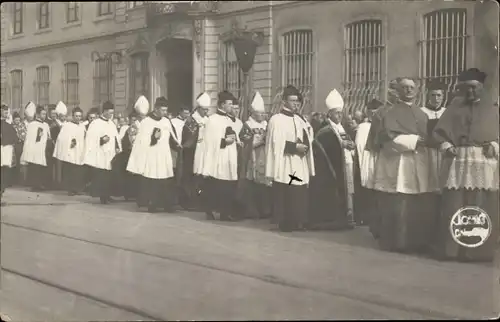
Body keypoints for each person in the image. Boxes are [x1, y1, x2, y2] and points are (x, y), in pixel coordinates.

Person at [432, 68, 499, 262]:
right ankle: (453, 251)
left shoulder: (492, 109)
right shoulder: (454, 108)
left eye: (474, 88)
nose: (470, 92)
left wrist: (494, 146)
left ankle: (478, 252)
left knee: (481, 204)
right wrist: (446, 145)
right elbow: (439, 133)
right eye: (467, 88)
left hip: (484, 162)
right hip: (458, 161)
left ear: (481, 88)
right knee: (455, 204)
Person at [371, 77, 438, 253]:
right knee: (399, 201)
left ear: (417, 91)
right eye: (404, 87)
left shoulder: (422, 114)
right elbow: (386, 138)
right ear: (398, 91)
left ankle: (416, 241)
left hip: (419, 161)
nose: (408, 90)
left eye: (411, 87)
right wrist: (414, 140)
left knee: (418, 201)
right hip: (398, 162)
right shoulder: (389, 112)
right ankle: (397, 242)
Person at [265, 85, 315, 232]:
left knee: (298, 191)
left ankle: (298, 220)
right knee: (286, 191)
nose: (295, 104)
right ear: (284, 102)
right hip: (285, 160)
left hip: (298, 161)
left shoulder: (300, 120)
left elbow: (307, 137)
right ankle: (285, 222)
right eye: (292, 101)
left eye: (297, 102)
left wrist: (305, 146)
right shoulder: (276, 119)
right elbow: (276, 142)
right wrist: (294, 147)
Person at [309, 89, 354, 230]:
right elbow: (324, 145)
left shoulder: (342, 127)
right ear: (329, 114)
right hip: (333, 165)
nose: (339, 116)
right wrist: (342, 145)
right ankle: (335, 219)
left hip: (346, 163)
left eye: (341, 113)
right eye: (336, 113)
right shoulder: (326, 129)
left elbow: (347, 141)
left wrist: (351, 145)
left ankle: (347, 216)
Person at [127, 96, 178, 213]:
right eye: (163, 110)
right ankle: (152, 203)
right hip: (152, 154)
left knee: (165, 178)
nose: (165, 113)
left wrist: (177, 145)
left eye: (166, 110)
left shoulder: (166, 121)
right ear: (156, 109)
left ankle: (167, 204)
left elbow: (172, 136)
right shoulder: (146, 122)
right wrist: (153, 138)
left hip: (164, 154)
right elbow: (141, 141)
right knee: (153, 178)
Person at [200, 90, 240, 221]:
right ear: (222, 105)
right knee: (215, 185)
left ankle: (225, 212)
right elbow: (210, 141)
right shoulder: (212, 120)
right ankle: (209, 210)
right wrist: (223, 141)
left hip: (230, 155)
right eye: (229, 104)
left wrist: (237, 141)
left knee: (228, 186)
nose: (231, 106)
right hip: (217, 156)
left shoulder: (231, 120)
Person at [238, 92, 271, 219]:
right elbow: (245, 142)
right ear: (253, 113)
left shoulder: (266, 124)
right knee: (252, 185)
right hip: (253, 158)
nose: (262, 115)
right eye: (260, 113)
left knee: (265, 186)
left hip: (265, 156)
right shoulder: (247, 125)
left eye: (263, 113)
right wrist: (259, 141)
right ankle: (253, 210)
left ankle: (265, 209)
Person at [353, 99, 384, 226]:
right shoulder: (363, 127)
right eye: (372, 113)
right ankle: (366, 217)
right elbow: (360, 147)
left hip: (381, 160)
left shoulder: (383, 125)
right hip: (368, 160)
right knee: (368, 188)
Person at [83, 101, 121, 204]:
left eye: (112, 113)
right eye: (109, 113)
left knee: (109, 175)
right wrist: (101, 140)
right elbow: (90, 139)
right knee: (101, 175)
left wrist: (117, 147)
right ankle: (102, 197)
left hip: (110, 153)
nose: (111, 115)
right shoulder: (95, 123)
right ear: (104, 111)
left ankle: (108, 195)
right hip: (100, 153)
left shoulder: (111, 123)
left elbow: (116, 137)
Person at [179, 92, 210, 210]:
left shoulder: (208, 119)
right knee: (191, 176)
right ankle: (190, 201)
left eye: (207, 110)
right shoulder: (191, 120)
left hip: (205, 151)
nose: (206, 112)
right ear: (198, 108)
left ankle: (201, 201)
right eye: (204, 110)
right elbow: (188, 138)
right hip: (193, 152)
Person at [421, 80, 448, 194]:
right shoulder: (422, 112)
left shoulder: (446, 112)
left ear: (443, 97)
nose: (436, 99)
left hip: (443, 152)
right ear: (428, 96)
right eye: (433, 95)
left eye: (439, 95)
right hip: (427, 151)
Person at [53, 106, 86, 196]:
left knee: (78, 171)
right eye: (76, 116)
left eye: (80, 116)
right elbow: (61, 138)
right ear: (72, 116)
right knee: (71, 170)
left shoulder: (82, 126)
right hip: (70, 151)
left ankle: (77, 188)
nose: (78, 118)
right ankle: (70, 189)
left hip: (79, 151)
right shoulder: (67, 126)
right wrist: (70, 142)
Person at [20, 105, 51, 192]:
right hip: (35, 148)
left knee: (41, 167)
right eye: (42, 114)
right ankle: (35, 185)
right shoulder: (32, 125)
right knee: (34, 167)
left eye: (45, 114)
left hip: (43, 148)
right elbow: (29, 138)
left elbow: (48, 136)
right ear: (37, 114)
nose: (44, 116)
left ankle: (41, 183)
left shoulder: (46, 125)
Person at [1, 104, 18, 205]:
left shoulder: (8, 125)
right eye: (4, 111)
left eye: (7, 112)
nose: (6, 113)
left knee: (4, 173)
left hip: (6, 152)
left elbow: (14, 138)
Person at [12, 111, 27, 185]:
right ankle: (15, 179)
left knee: (21, 162)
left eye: (18, 120)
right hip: (14, 145)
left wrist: (21, 138)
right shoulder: (12, 126)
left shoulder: (22, 125)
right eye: (16, 120)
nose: (17, 122)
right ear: (13, 120)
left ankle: (21, 180)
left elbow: (25, 134)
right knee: (15, 162)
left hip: (21, 145)